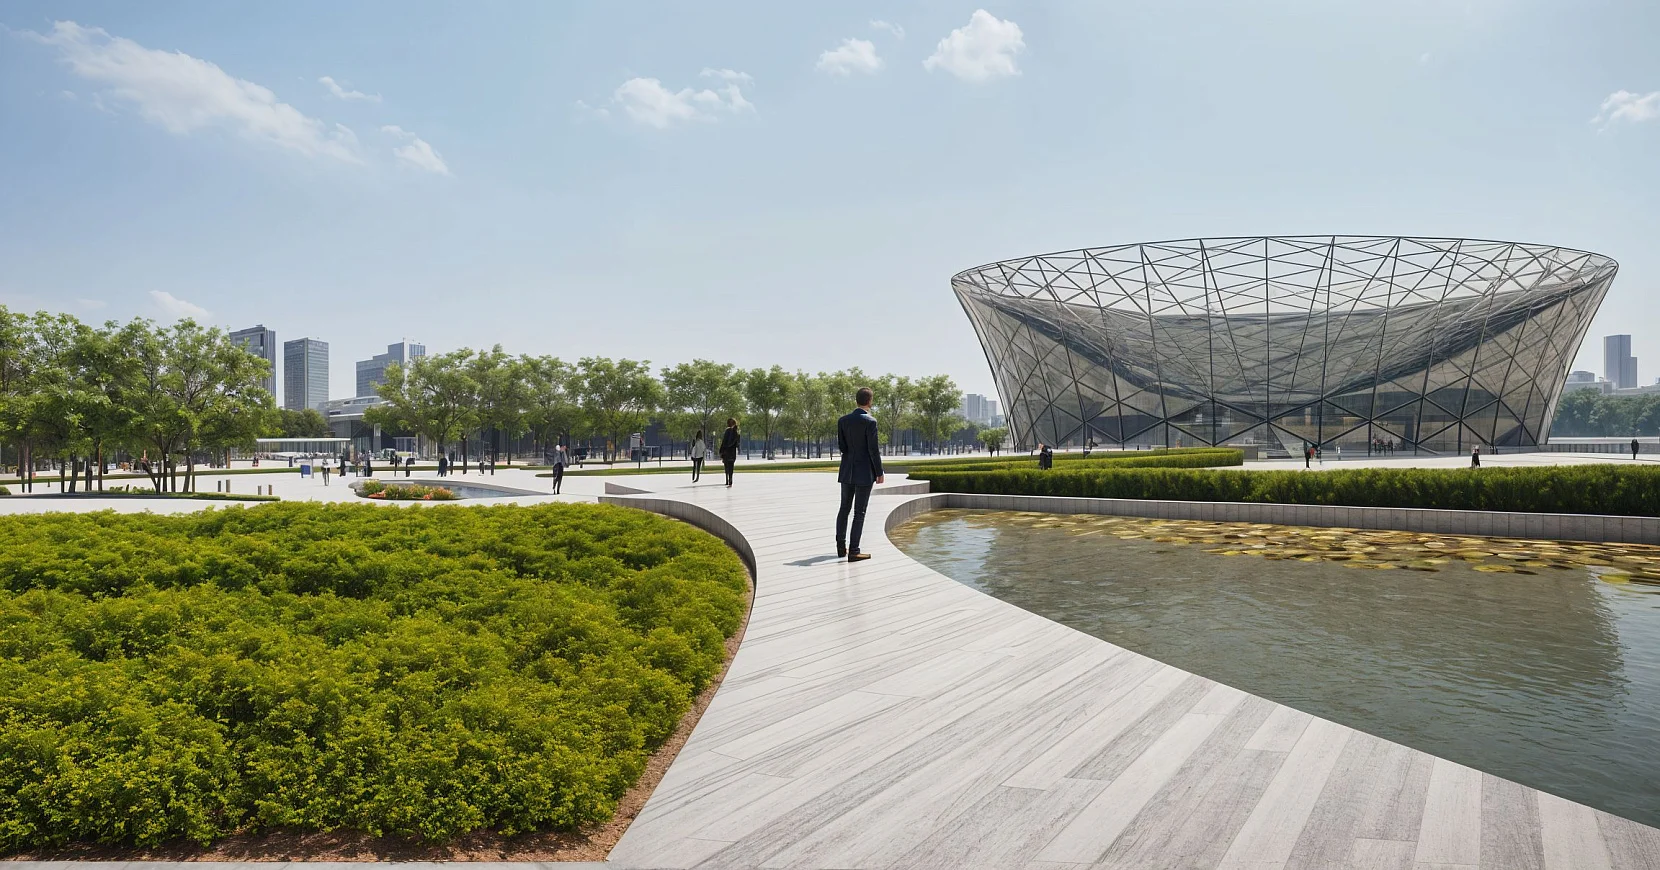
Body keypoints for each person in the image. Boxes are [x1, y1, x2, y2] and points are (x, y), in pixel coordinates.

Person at [835, 387, 885, 562]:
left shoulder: (843, 421)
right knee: (859, 512)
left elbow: (842, 447)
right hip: (864, 473)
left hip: (847, 470)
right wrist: (879, 472)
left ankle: (841, 548)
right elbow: (873, 450)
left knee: (844, 509)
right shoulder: (870, 422)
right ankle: (854, 551)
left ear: (856, 400)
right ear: (869, 401)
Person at [719, 418, 740, 487]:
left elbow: (724, 441)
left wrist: (722, 450)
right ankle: (730, 479)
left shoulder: (728, 431)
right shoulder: (736, 432)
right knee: (731, 466)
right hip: (732, 452)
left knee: (726, 466)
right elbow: (737, 444)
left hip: (727, 451)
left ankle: (727, 479)